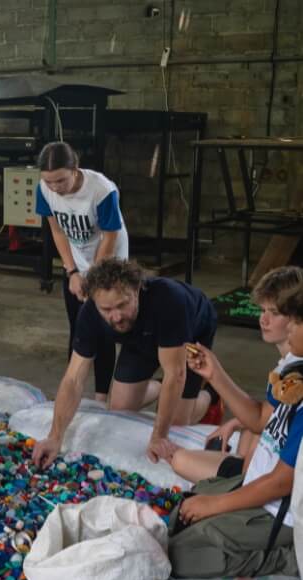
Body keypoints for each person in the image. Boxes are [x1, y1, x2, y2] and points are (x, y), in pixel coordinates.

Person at [165, 280, 303, 578]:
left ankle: (285, 559)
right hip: (257, 486)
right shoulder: (292, 372)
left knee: (176, 557)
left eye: (294, 322)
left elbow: (281, 483)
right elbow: (259, 419)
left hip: (279, 513)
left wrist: (216, 505)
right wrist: (214, 373)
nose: (288, 329)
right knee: (181, 513)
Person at [32, 259, 217, 469]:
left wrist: (159, 436)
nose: (117, 316)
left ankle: (211, 394)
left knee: (178, 424)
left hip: (190, 330)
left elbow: (176, 375)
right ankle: (158, 384)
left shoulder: (168, 300)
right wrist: (55, 437)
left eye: (122, 305)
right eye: (107, 309)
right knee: (119, 409)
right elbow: (73, 379)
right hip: (139, 336)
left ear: (137, 290)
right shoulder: (91, 313)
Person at [169, 266, 303, 482]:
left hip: (270, 482)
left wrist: (215, 375)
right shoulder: (287, 364)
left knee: (180, 459)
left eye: (275, 313)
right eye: (262, 310)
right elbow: (271, 412)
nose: (263, 320)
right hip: (266, 471)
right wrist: (236, 422)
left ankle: (235, 485)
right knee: (249, 433)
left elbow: (260, 420)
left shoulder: (296, 371)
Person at [36, 141, 129, 404]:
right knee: (78, 326)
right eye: (49, 181)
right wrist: (72, 272)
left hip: (109, 260)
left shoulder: (101, 190)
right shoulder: (44, 188)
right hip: (77, 261)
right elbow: (56, 230)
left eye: (61, 181)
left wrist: (93, 278)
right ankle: (71, 394)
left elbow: (109, 237)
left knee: (104, 327)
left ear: (75, 169)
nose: (55, 188)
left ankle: (101, 397)